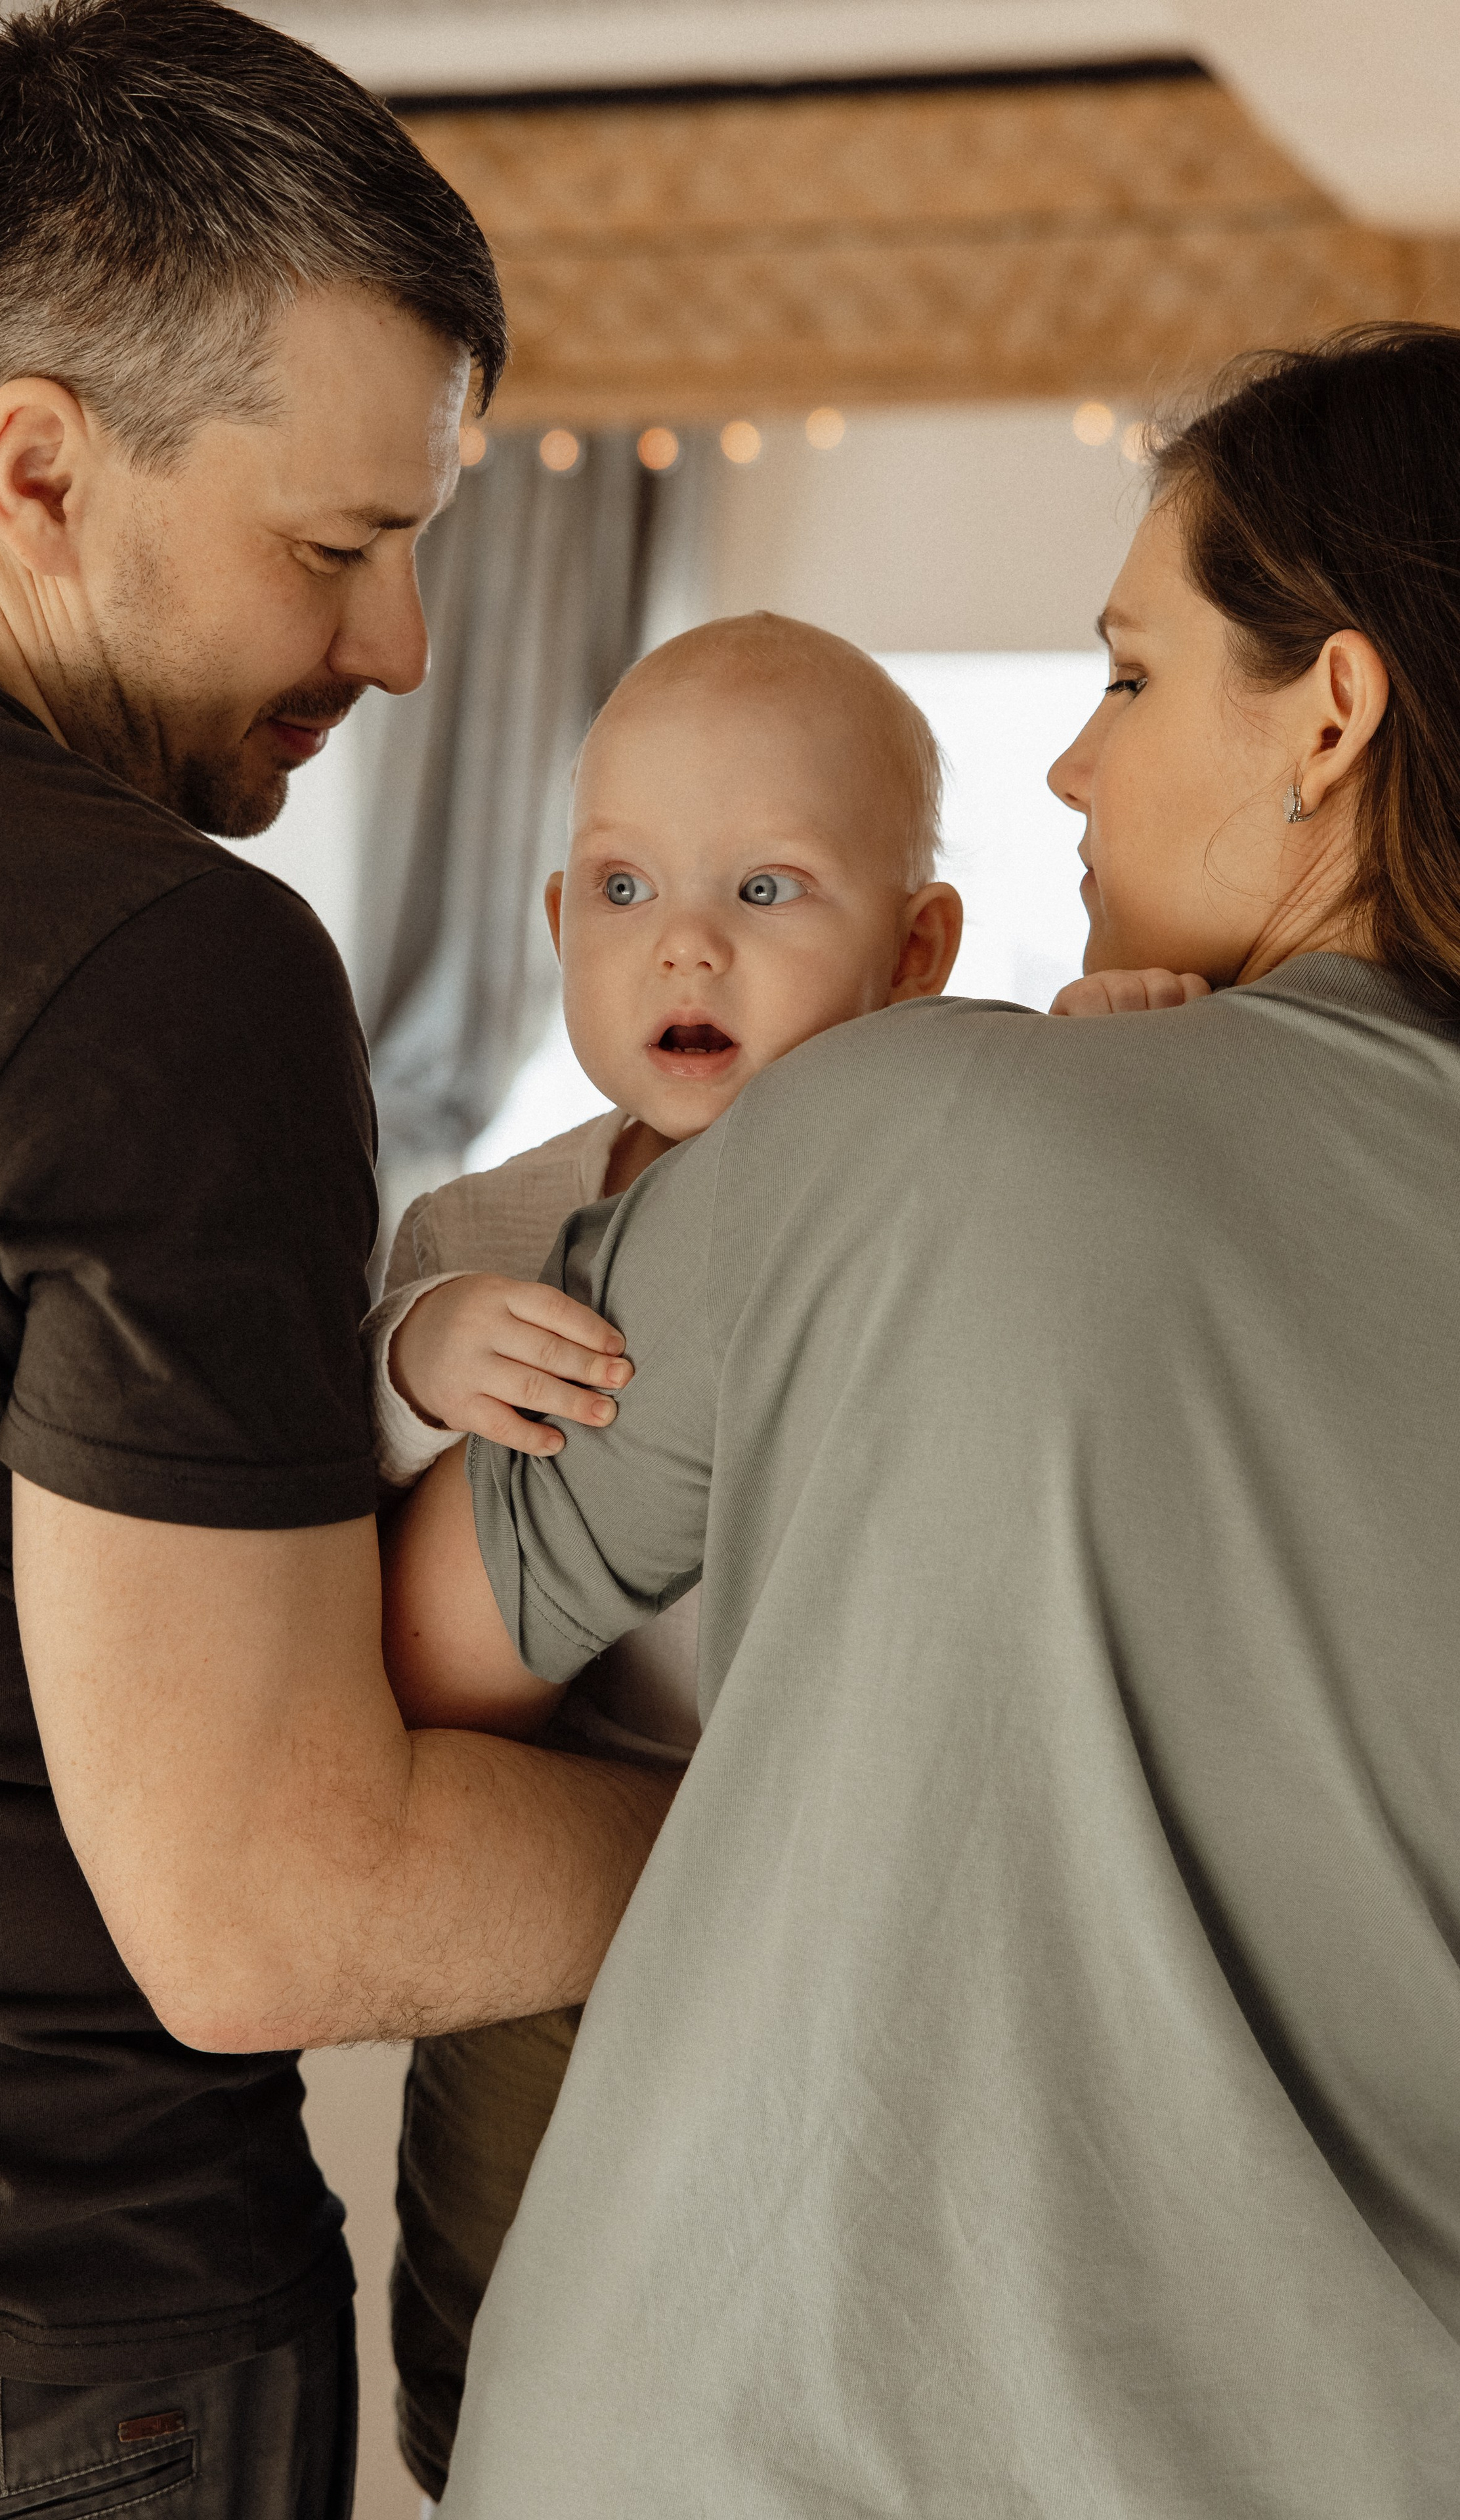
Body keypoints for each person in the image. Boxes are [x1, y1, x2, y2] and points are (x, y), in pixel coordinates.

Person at [384, 324, 1460, 2515]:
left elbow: (396, 1665)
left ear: (1330, 716)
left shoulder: (902, 1129)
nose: (1073, 768)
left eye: (1135, 678)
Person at [0, 5, 672, 2509]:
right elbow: (277, 1907)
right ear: (40, 466)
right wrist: (875, 1813)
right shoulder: (156, 959)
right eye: (338, 552)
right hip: (37, 2361)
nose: (398, 655)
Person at [368, 612, 962, 2497]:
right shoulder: (493, 1219)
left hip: (844, 1881)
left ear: (920, 952)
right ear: (552, 925)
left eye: (766, 889)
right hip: (554, 1891)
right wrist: (419, 1345)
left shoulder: (952, 1171)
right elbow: (324, 1456)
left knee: (820, 2290)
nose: (682, 946)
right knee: (495, 2244)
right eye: (623, 888)